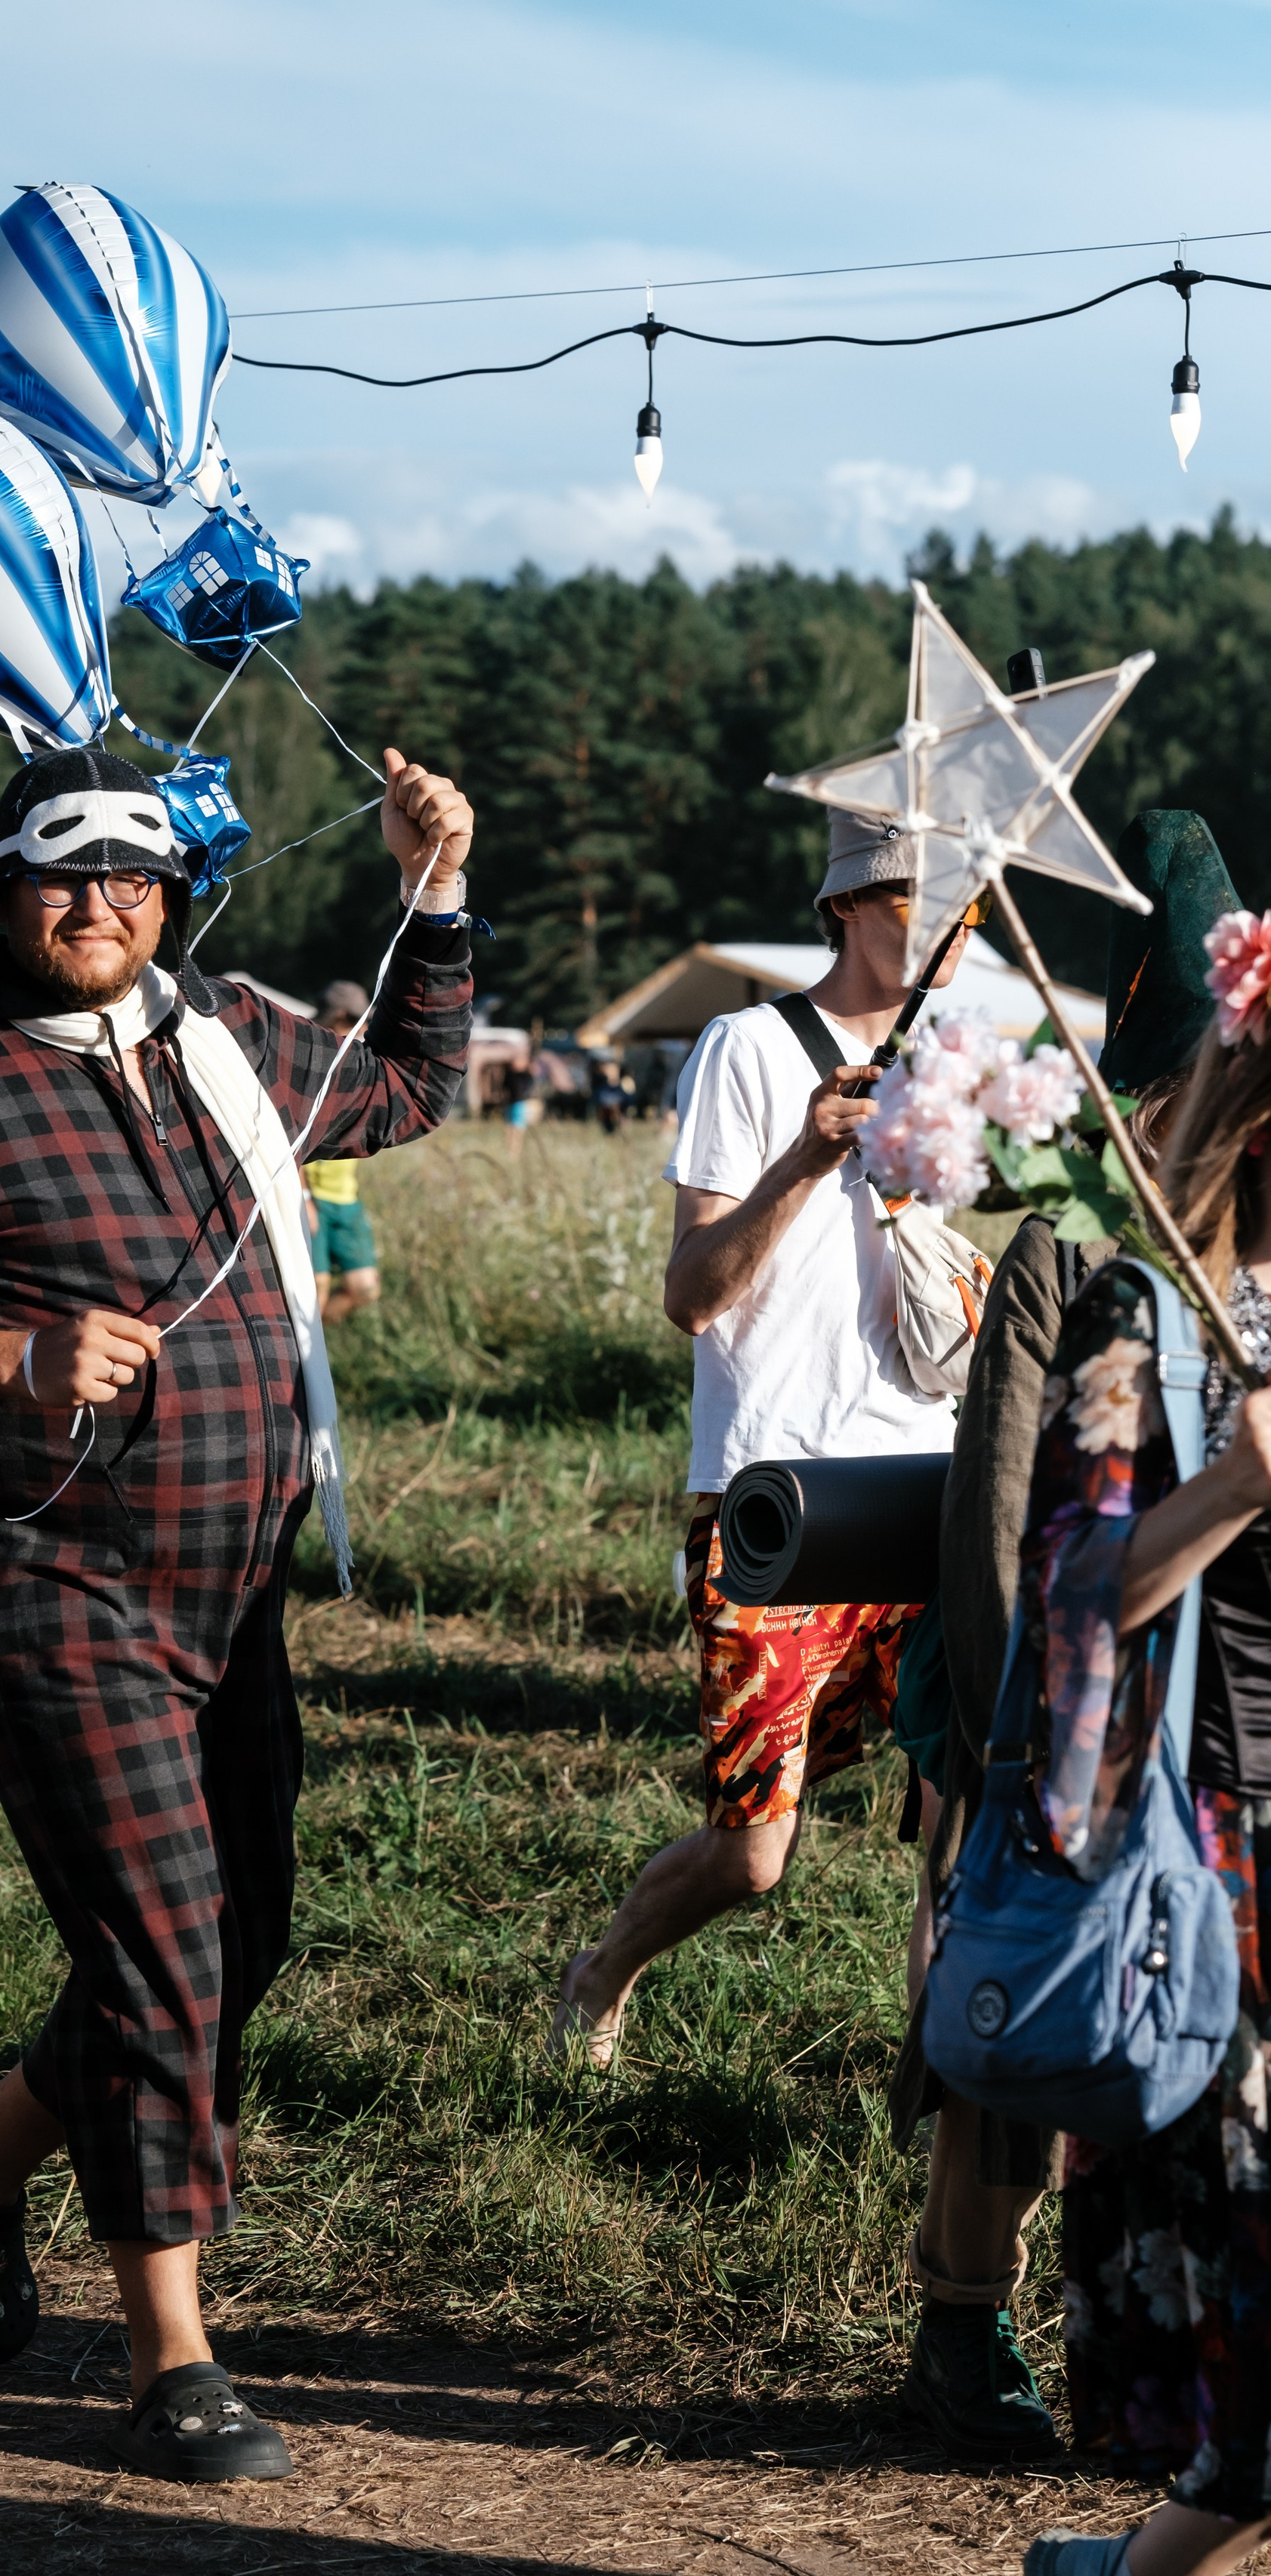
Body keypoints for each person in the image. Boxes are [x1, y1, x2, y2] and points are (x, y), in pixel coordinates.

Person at [0, 742, 473, 2483]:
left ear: (169, 899)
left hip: (232, 1596)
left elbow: (410, 1078)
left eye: (136, 882)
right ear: (5, 892)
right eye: (65, 878)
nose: (101, 909)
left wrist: (431, 889)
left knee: (227, 1945)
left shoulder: (229, 1051)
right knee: (166, 1949)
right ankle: (172, 2351)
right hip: (53, 1587)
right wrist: (0, 1356)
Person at [554, 806, 1014, 2392]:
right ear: (858, 905)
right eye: (925, 900)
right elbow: (692, 1297)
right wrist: (809, 1157)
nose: (950, 926)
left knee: (959, 1825)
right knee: (755, 1858)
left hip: (933, 1484)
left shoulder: (965, 1062)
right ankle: (601, 1972)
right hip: (775, 1496)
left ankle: (934, 2139)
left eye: (967, 902)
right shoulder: (749, 1050)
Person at [889, 810, 1232, 2467]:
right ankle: (961, 2322)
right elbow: (993, 1517)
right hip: (1052, 1705)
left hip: (1225, 1726)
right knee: (1023, 2015)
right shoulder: (1074, 1257)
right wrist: (1002, 1744)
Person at [1013, 967, 1271, 2576]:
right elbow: (1072, 1601)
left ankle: (1130, 2573)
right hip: (1220, 1873)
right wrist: (1237, 1489)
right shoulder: (1145, 1320)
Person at [304, 979, 383, 1325]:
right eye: (358, 1019)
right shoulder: (301, 1055)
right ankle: (306, 1372)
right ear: (338, 1016)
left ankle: (315, 1355)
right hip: (309, 1197)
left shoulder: (353, 1059)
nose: (364, 1028)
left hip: (345, 1198)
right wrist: (303, 1196)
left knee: (365, 1290)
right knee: (314, 1291)